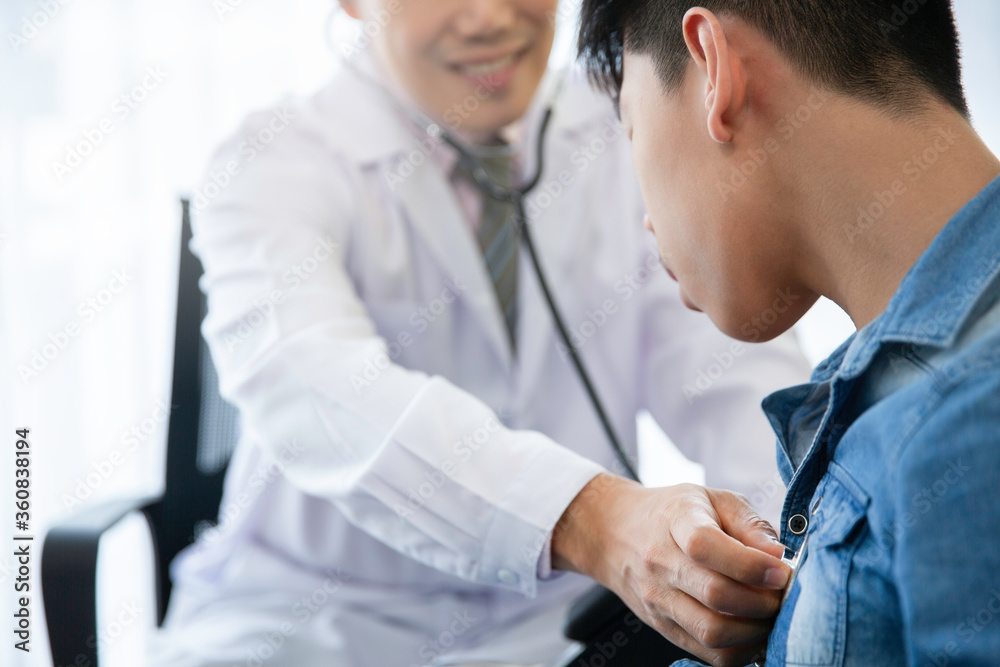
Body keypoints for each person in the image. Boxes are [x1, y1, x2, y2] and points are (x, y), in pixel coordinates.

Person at [148, 2, 813, 666]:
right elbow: (316, 391)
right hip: (316, 625)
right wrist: (592, 518)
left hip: (555, 622)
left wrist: (776, 548)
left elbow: (740, 382)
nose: (490, 16)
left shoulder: (626, 122)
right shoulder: (270, 162)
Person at [576, 0, 1000, 665]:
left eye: (632, 131)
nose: (648, 222)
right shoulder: (904, 399)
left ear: (713, 70)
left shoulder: (967, 419)